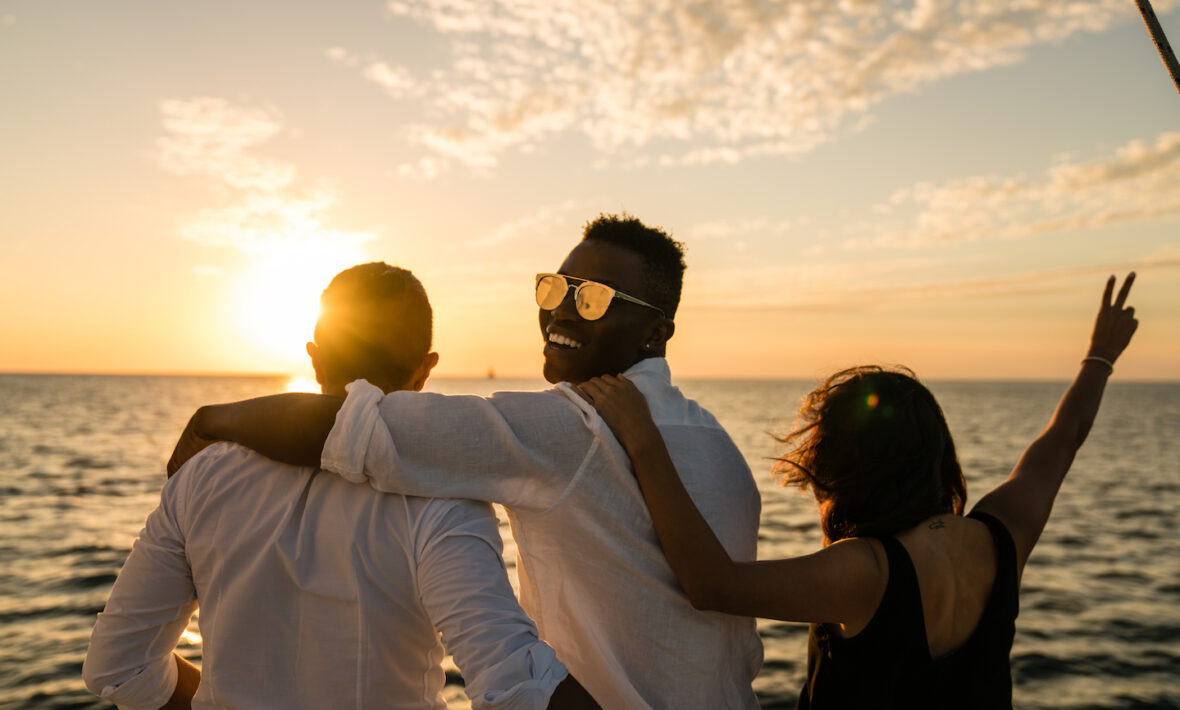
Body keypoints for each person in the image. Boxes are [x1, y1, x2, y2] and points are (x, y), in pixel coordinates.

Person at [166, 214, 764, 708]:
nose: (559, 312)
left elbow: (356, 428)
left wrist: (211, 419)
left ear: (654, 333)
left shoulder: (576, 424)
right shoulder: (714, 440)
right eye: (555, 289)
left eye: (593, 299)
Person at [574, 274, 1140, 709]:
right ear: (936, 452)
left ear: (843, 470)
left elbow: (712, 583)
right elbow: (1061, 442)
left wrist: (644, 441)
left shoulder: (866, 572)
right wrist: (1101, 356)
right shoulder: (1002, 536)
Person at [83, 263, 597, 710]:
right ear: (426, 369)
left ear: (314, 357)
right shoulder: (441, 497)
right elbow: (517, 688)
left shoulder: (203, 475)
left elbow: (118, 667)